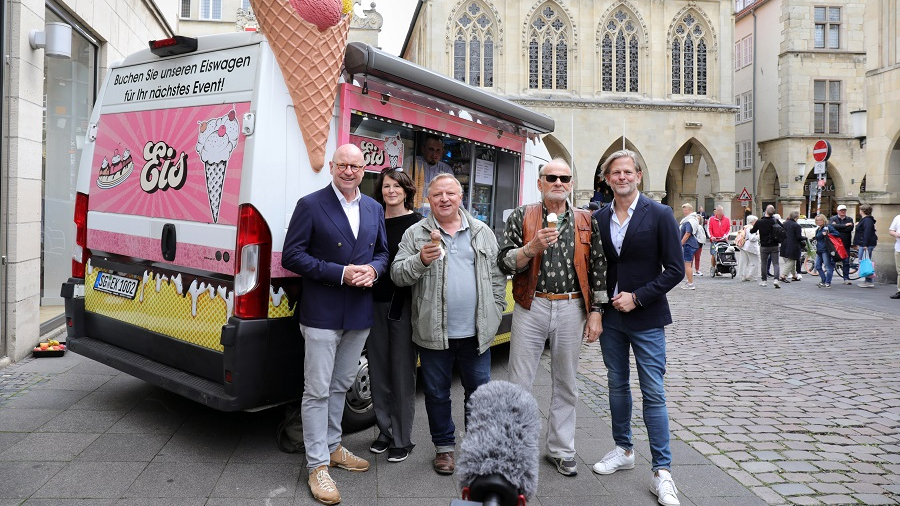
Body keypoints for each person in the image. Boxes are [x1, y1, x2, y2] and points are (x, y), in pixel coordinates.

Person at [282, 144, 390, 505]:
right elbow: (292, 255)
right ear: (331, 166)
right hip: (323, 311)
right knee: (316, 389)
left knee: (342, 384)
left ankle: (331, 446)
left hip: (359, 312)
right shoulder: (311, 204)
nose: (349, 171)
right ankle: (317, 466)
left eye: (355, 166)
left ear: (364, 169)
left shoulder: (374, 207)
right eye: (342, 164)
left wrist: (374, 270)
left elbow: (383, 253)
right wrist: (340, 273)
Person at [497, 159, 607, 477]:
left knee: (567, 383)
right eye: (551, 177)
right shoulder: (522, 215)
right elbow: (505, 262)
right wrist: (530, 248)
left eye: (564, 177)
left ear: (571, 183)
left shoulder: (587, 220)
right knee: (518, 382)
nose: (558, 182)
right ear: (540, 183)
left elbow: (599, 268)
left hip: (573, 306)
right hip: (532, 305)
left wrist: (596, 313)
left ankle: (560, 449)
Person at [391, 173, 506, 476]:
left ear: (461, 197)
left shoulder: (482, 231)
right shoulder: (415, 234)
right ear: (427, 200)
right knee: (437, 393)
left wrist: (496, 311)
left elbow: (497, 277)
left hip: (476, 333)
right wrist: (420, 260)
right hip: (433, 333)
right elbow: (398, 275)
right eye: (437, 194)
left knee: (479, 393)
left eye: (450, 193)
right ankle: (444, 449)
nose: (444, 199)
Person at [590, 150, 684, 506]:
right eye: (616, 173)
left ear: (639, 176)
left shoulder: (659, 214)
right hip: (612, 318)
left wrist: (638, 297)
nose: (622, 177)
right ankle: (624, 449)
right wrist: (596, 311)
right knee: (616, 384)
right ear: (608, 178)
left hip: (646, 317)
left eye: (628, 172)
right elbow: (596, 268)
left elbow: (675, 269)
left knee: (654, 392)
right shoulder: (598, 217)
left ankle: (662, 472)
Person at [368, 168, 422, 463]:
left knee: (402, 372)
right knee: (378, 370)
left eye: (396, 186)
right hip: (374, 301)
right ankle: (384, 430)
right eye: (386, 186)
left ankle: (402, 437)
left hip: (403, 304)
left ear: (406, 191)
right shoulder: (372, 219)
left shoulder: (418, 223)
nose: (391, 191)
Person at [750, 205, 781, 288]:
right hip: (774, 244)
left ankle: (764, 281)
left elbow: (752, 231)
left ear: (766, 211)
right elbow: (783, 229)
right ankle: (776, 279)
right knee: (776, 263)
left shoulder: (760, 221)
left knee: (764, 263)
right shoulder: (775, 220)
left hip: (764, 245)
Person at [853, 204, 877, 288]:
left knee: (865, 262)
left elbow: (867, 232)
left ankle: (869, 281)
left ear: (862, 211)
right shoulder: (866, 220)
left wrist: (865, 244)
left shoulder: (867, 220)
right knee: (864, 261)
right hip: (865, 243)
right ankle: (867, 280)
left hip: (866, 244)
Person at [829, 204, 854, 285]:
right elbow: (831, 227)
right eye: (841, 210)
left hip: (846, 243)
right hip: (835, 243)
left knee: (846, 262)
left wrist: (838, 227)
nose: (843, 211)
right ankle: (829, 278)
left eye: (844, 210)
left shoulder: (849, 219)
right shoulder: (833, 218)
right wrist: (845, 225)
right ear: (837, 211)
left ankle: (846, 278)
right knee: (832, 261)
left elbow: (850, 229)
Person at [814, 213, 838, 288]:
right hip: (819, 250)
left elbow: (837, 234)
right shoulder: (818, 229)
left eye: (820, 220)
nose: (818, 222)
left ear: (824, 220)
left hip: (826, 250)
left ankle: (828, 282)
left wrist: (828, 234)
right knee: (817, 266)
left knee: (828, 266)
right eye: (817, 220)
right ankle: (824, 280)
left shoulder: (828, 227)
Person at [678, 203, 700, 290]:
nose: (684, 212)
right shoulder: (691, 219)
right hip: (691, 244)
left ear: (690, 210)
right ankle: (689, 280)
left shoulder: (689, 221)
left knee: (687, 264)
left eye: (685, 210)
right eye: (683, 210)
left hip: (689, 244)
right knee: (688, 264)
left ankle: (691, 284)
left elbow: (687, 233)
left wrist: (681, 243)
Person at [779, 211, 804, 283]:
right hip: (794, 245)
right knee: (791, 260)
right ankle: (783, 275)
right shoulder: (796, 225)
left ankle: (794, 275)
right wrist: (804, 238)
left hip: (785, 244)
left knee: (792, 259)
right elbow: (798, 237)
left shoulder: (785, 224)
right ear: (796, 217)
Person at [706, 205, 730, 276]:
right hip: (714, 240)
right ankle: (713, 267)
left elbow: (728, 228)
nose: (720, 212)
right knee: (714, 254)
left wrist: (725, 235)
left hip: (723, 239)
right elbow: (709, 229)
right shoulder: (711, 219)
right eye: (719, 211)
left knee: (723, 254)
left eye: (721, 211)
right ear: (716, 212)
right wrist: (711, 236)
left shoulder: (726, 219)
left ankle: (721, 269)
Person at [736, 215, 760, 281]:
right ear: (753, 221)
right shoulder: (752, 228)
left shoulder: (745, 227)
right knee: (754, 262)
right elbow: (752, 238)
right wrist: (758, 236)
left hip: (743, 245)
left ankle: (743, 275)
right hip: (751, 247)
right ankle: (751, 275)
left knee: (744, 261)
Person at [889, 213, 900, 299]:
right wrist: (896, 234)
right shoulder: (898, 218)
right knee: (899, 271)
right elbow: (891, 230)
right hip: (899, 248)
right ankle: (899, 291)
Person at [693, 210, 707, 276]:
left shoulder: (700, 227)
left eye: (699, 219)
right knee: (691, 258)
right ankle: (689, 269)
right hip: (693, 244)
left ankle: (697, 270)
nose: (697, 220)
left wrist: (701, 241)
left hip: (699, 244)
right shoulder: (692, 226)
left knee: (697, 258)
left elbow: (703, 236)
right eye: (696, 218)